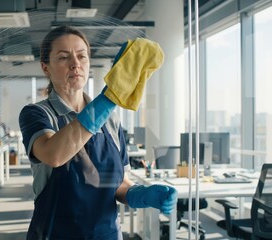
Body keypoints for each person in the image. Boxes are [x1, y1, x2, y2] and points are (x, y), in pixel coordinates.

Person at [18, 26, 177, 240]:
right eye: (64, 57)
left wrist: (143, 195)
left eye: (82, 56)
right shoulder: (37, 114)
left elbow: (119, 182)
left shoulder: (110, 118)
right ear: (46, 68)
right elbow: (53, 154)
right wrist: (109, 99)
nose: (76, 64)